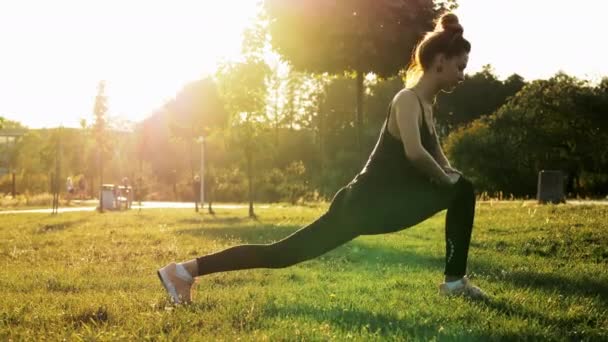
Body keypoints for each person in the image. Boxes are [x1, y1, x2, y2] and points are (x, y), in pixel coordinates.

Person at [158, 12, 488, 304]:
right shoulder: (406, 100)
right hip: (361, 205)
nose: (461, 76)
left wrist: (450, 176)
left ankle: (454, 281)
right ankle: (183, 271)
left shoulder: (427, 108)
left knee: (463, 189)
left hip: (384, 204)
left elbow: (437, 158)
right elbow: (415, 153)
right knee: (281, 254)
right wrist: (446, 180)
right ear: (440, 61)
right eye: (460, 67)